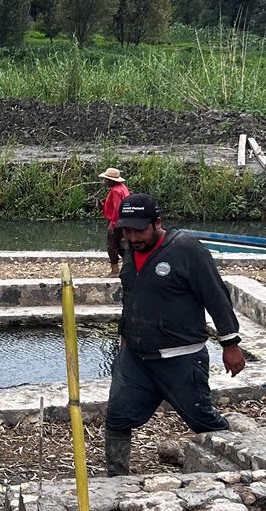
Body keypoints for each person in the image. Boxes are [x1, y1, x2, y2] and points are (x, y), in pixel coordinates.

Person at [103, 193, 246, 476]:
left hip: (180, 357)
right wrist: (125, 339)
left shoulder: (186, 250)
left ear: (157, 223)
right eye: (127, 231)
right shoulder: (131, 249)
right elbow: (130, 298)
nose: (132, 237)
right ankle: (116, 479)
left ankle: (241, 467)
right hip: (136, 358)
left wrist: (230, 343)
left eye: (139, 230)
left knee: (203, 420)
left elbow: (216, 296)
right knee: (117, 417)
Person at [98, 167, 130, 273]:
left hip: (117, 221)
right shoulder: (122, 188)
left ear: (111, 180)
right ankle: (130, 264)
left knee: (111, 245)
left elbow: (117, 208)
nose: (105, 181)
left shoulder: (115, 191)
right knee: (120, 244)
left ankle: (115, 270)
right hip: (125, 220)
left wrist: (113, 224)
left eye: (106, 179)